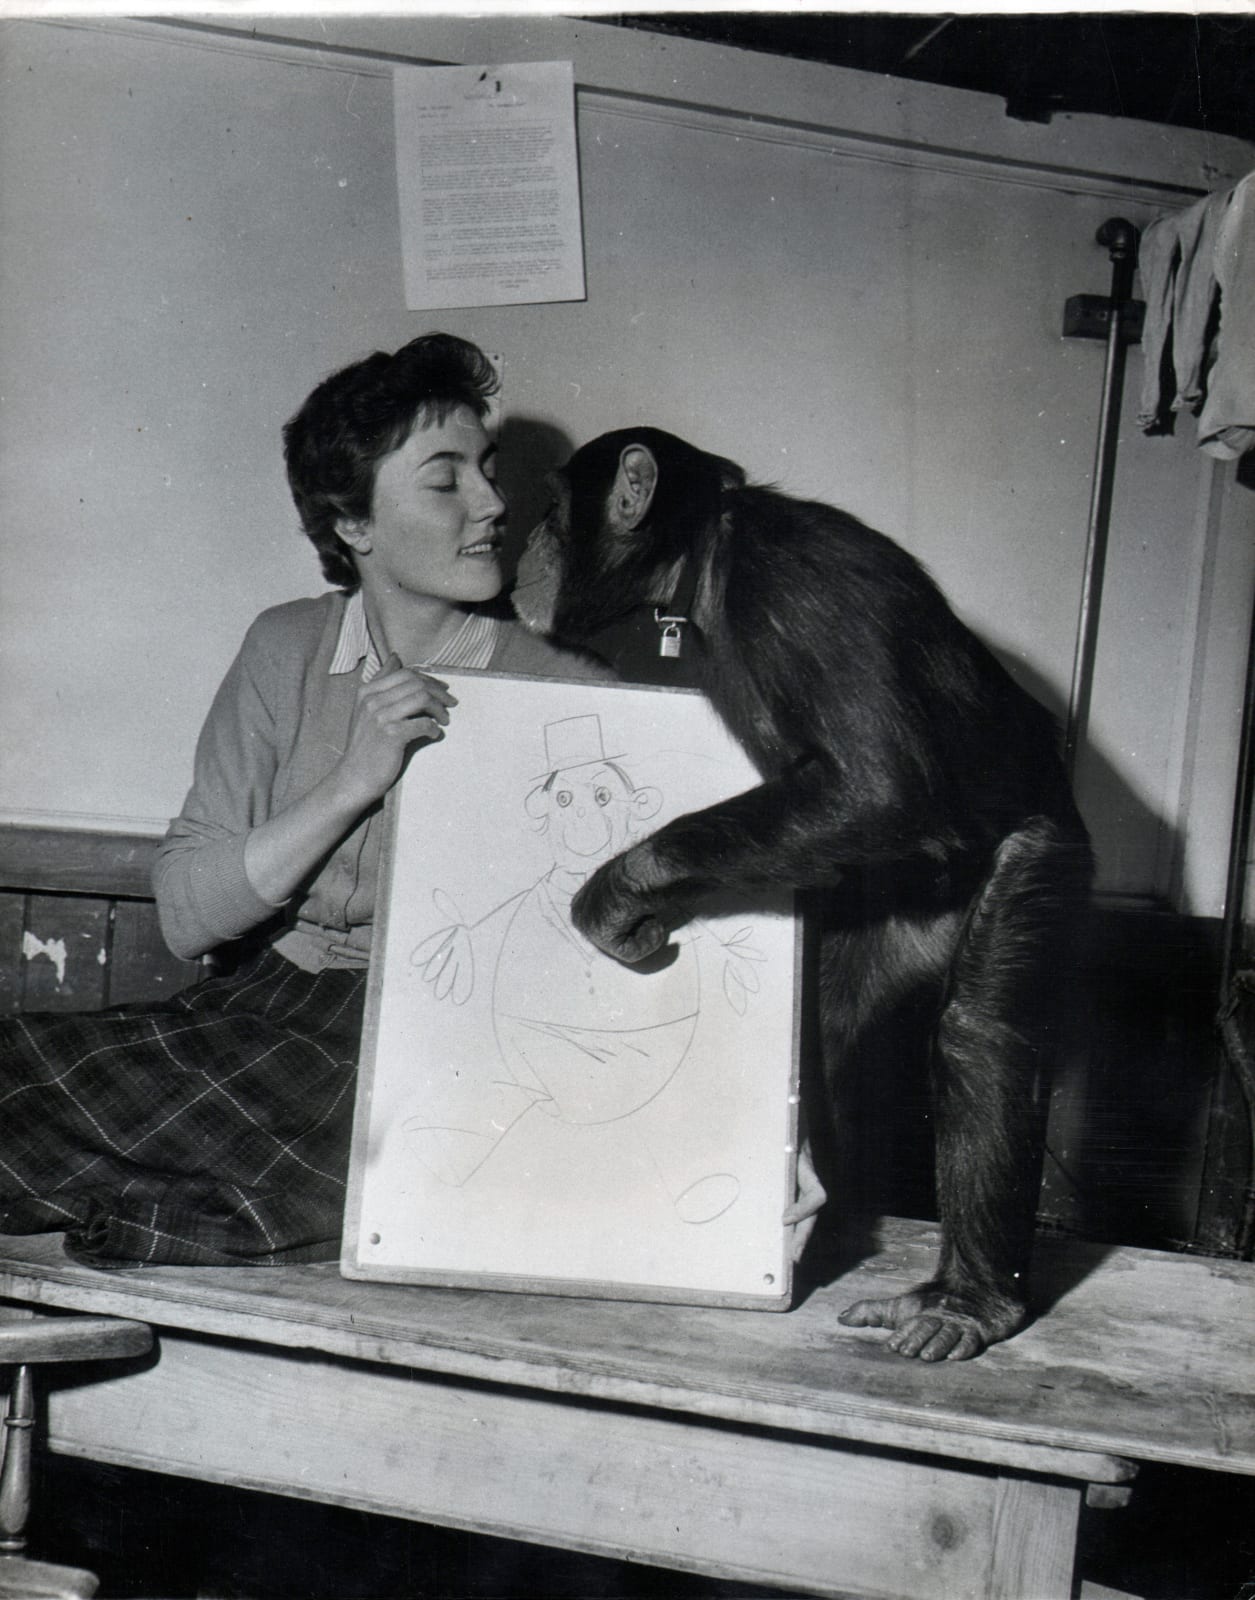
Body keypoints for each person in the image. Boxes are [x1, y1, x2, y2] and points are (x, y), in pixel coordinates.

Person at [0, 332, 609, 1268]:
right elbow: (188, 915)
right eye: (445, 480)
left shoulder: (563, 690)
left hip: (424, 1049)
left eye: (488, 471)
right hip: (256, 1008)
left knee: (301, 1159)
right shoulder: (285, 647)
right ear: (353, 524)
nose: (494, 502)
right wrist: (354, 779)